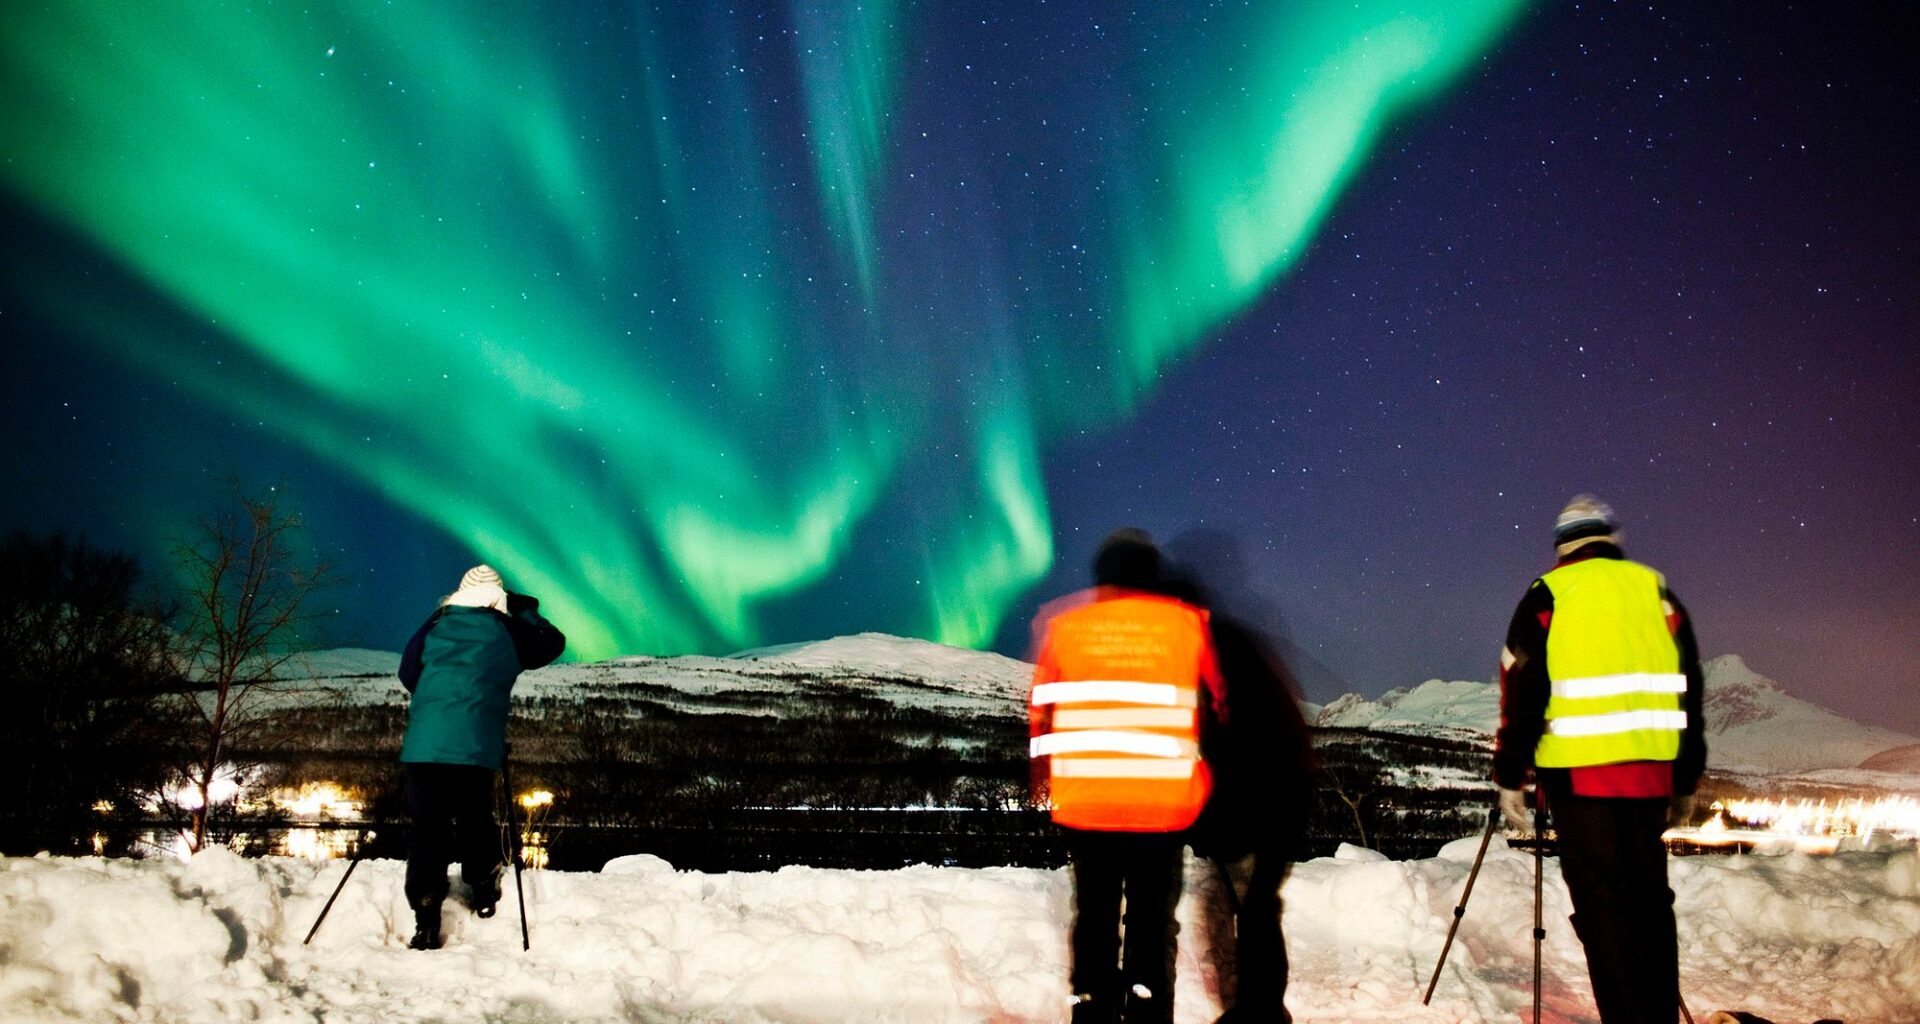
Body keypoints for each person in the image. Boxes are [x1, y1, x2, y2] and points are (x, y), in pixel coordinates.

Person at [1493, 496, 1706, 1023]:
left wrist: (1509, 774)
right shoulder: (1656, 592)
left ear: (1563, 547)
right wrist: (1684, 779)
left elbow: (1521, 687)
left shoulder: (1550, 593)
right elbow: (1690, 689)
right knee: (1650, 904)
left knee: (1603, 907)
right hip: (1651, 775)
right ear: (1611, 540)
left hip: (1578, 777)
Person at [1029, 529, 1224, 1024]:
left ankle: (1091, 1015)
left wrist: (1042, 778)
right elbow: (1221, 706)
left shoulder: (1065, 626)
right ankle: (1146, 1015)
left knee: (1093, 924)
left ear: (1103, 577)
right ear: (1153, 575)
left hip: (1088, 805)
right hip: (1163, 808)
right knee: (1151, 929)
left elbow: (1042, 714)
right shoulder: (1188, 624)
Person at [1164, 546, 1316, 1024]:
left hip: (1265, 798)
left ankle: (1257, 1012)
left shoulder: (1209, 650)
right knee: (1254, 908)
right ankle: (1258, 1009)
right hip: (1282, 793)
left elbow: (1235, 739)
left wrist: (1213, 812)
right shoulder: (1227, 642)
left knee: (1243, 908)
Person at [397, 564, 565, 950]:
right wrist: (526, 611)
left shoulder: (436, 624)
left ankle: (425, 917)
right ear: (498, 598)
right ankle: (484, 891)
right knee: (475, 817)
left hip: (423, 746)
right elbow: (552, 643)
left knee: (427, 828)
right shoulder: (508, 630)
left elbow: (409, 674)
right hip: (475, 745)